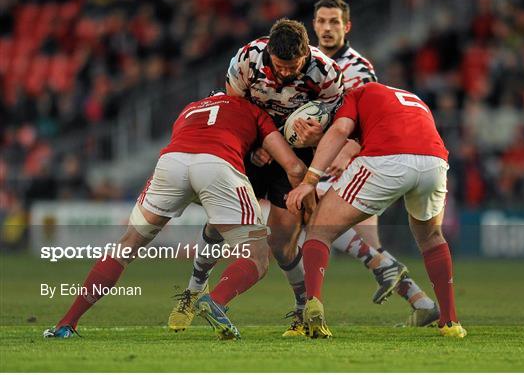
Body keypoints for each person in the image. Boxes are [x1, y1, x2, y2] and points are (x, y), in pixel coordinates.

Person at [43, 93, 307, 340]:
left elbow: (197, 140)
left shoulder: (190, 109)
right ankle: (215, 299)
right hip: (216, 164)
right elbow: (291, 164)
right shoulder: (253, 110)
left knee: (127, 245)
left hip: (172, 163)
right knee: (257, 256)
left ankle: (66, 323)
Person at [168, 18, 344, 336]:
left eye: (294, 66)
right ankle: (192, 294)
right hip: (252, 145)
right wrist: (253, 144)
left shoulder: (327, 73)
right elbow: (230, 111)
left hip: (296, 154)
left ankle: (303, 312)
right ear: (269, 56)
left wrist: (316, 136)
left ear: (306, 53)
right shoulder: (247, 59)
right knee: (217, 224)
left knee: (282, 241)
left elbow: (336, 128)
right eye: (280, 66)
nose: (287, 73)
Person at [286, 82, 467, 339]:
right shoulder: (409, 97)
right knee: (431, 237)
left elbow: (340, 129)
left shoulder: (357, 93)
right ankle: (450, 323)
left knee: (319, 228)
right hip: (435, 161)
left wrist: (310, 182)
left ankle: (312, 312)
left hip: (387, 159)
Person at [312, 0, 440, 327]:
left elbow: (367, 116)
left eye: (334, 22)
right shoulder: (308, 63)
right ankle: (421, 301)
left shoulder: (358, 68)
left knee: (320, 227)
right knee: (367, 246)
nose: (327, 28)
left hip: (352, 161)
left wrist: (349, 148)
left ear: (346, 26)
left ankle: (305, 313)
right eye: (322, 22)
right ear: (314, 25)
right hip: (326, 157)